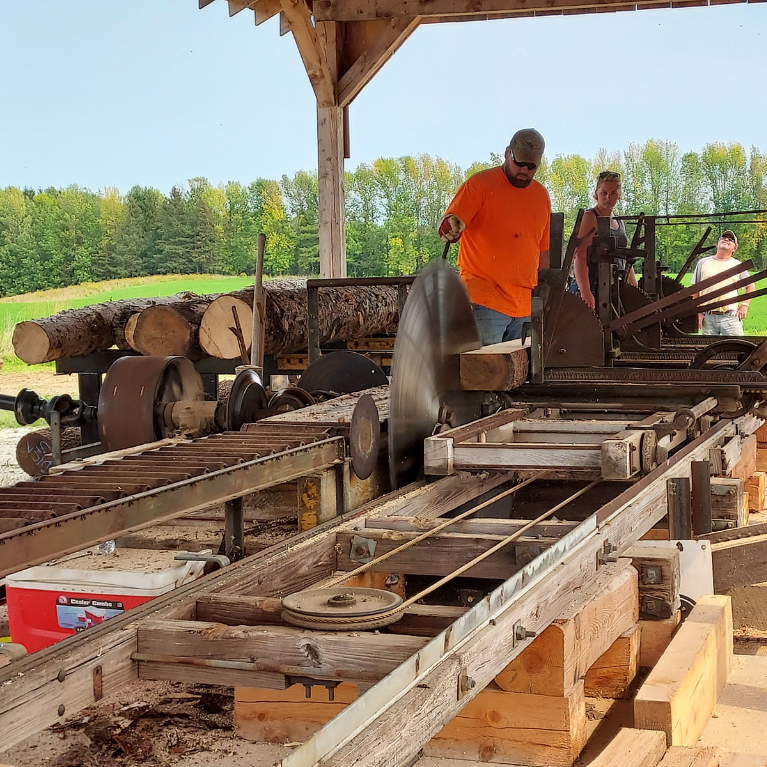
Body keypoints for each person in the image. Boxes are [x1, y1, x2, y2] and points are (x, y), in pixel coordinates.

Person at [438, 128, 551, 345]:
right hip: (484, 302)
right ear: (507, 153)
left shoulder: (541, 196)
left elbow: (542, 251)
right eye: (520, 163)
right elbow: (448, 224)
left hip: (525, 306)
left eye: (532, 166)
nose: (525, 171)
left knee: (518, 375)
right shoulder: (479, 185)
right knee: (484, 374)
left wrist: (545, 298)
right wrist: (450, 225)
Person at [571, 170, 637, 310]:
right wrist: (585, 292)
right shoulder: (590, 217)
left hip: (612, 289)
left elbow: (624, 259)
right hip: (592, 287)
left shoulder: (619, 221)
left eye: (613, 193)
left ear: (619, 195)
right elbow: (580, 257)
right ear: (596, 193)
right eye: (604, 193)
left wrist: (635, 287)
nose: (608, 197)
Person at [692, 230, 754, 336]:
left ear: (734, 248)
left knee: (736, 349)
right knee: (707, 350)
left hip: (730, 317)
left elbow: (751, 286)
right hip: (708, 317)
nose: (726, 239)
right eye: (723, 238)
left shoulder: (738, 265)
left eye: (730, 239)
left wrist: (744, 305)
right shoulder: (703, 263)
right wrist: (698, 312)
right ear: (718, 243)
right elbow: (694, 289)